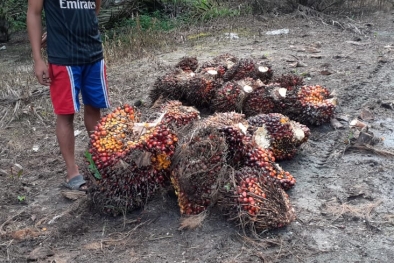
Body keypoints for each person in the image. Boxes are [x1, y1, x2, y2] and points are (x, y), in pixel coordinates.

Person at [27, 0, 110, 191]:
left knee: (94, 109)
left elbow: (95, 7)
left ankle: (101, 161)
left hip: (93, 53)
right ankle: (73, 172)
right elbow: (34, 13)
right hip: (63, 59)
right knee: (66, 114)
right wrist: (38, 59)